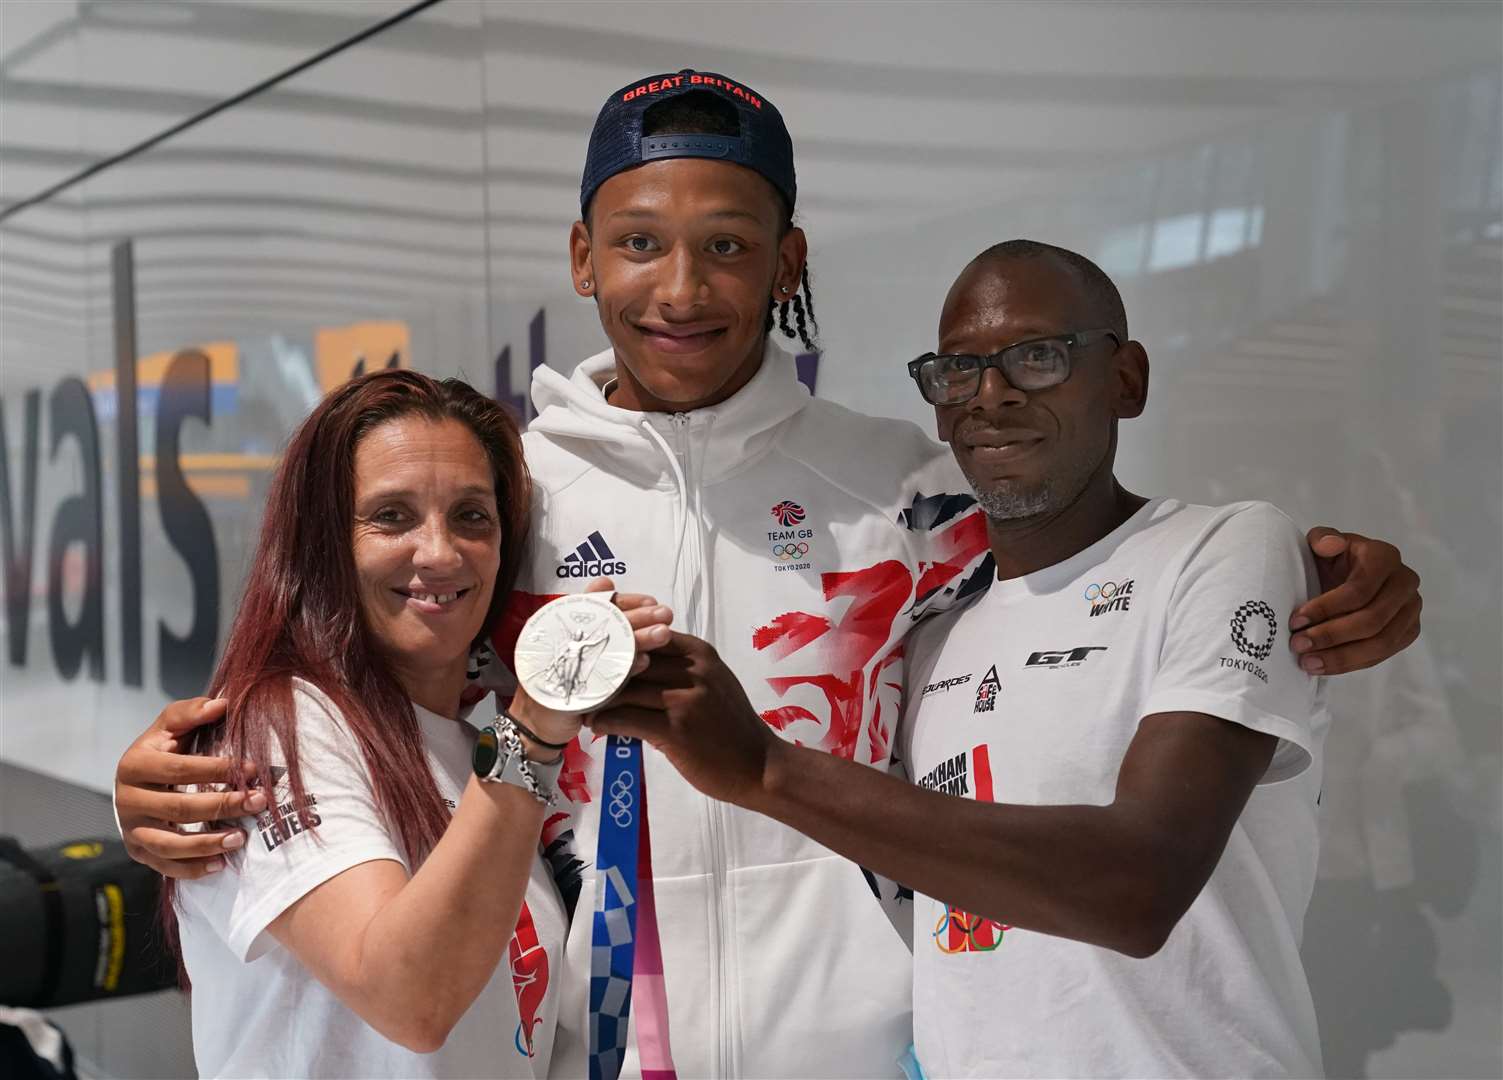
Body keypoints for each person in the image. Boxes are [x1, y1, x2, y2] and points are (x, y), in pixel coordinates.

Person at [115, 72, 1423, 1078]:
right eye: (636, 244)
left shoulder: (904, 489)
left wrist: (1332, 573)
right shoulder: (503, 492)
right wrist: (156, 777)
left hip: (871, 1049)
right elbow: (359, 660)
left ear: (786, 262)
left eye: (729, 247)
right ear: (581, 257)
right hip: (592, 1049)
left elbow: (1080, 561)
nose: (680, 288)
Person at [587, 240, 1406, 1078]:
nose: (991, 395)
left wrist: (764, 768)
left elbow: (1137, 887)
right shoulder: (935, 629)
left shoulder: (1221, 548)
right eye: (956, 372)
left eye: (1039, 358)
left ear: (1126, 380)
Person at [165, 369, 671, 1078]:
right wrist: (536, 723)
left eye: (471, 516)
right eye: (392, 516)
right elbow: (411, 1001)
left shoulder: (474, 749)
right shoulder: (278, 726)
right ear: (323, 543)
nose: (439, 553)